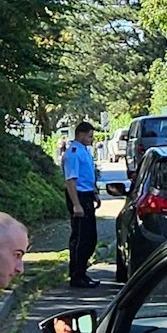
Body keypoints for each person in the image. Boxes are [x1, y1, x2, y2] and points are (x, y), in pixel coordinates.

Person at [63, 121, 99, 288]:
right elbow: (71, 180)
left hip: (87, 195)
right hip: (78, 197)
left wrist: (94, 193)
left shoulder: (84, 150)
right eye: (90, 136)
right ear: (81, 134)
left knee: (90, 237)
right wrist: (76, 204)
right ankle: (76, 275)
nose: (92, 139)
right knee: (80, 237)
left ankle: (82, 272)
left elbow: (87, 175)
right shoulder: (74, 153)